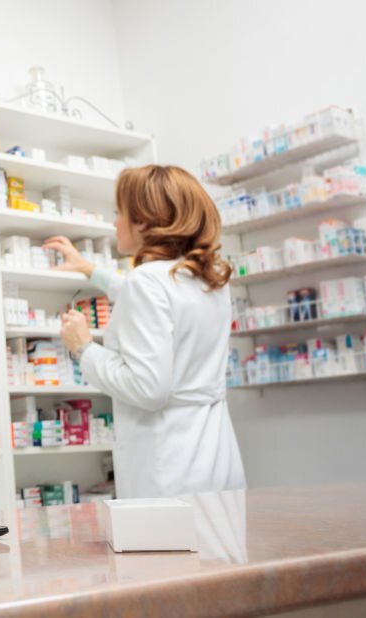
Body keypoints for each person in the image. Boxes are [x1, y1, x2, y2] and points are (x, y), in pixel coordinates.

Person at [44, 164, 246, 499]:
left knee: (169, 552)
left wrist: (84, 348)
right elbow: (160, 302)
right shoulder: (209, 278)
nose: (115, 222)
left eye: (118, 212)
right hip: (215, 458)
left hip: (168, 467)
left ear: (142, 220)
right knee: (220, 548)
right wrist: (88, 268)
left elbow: (147, 388)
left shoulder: (147, 281)